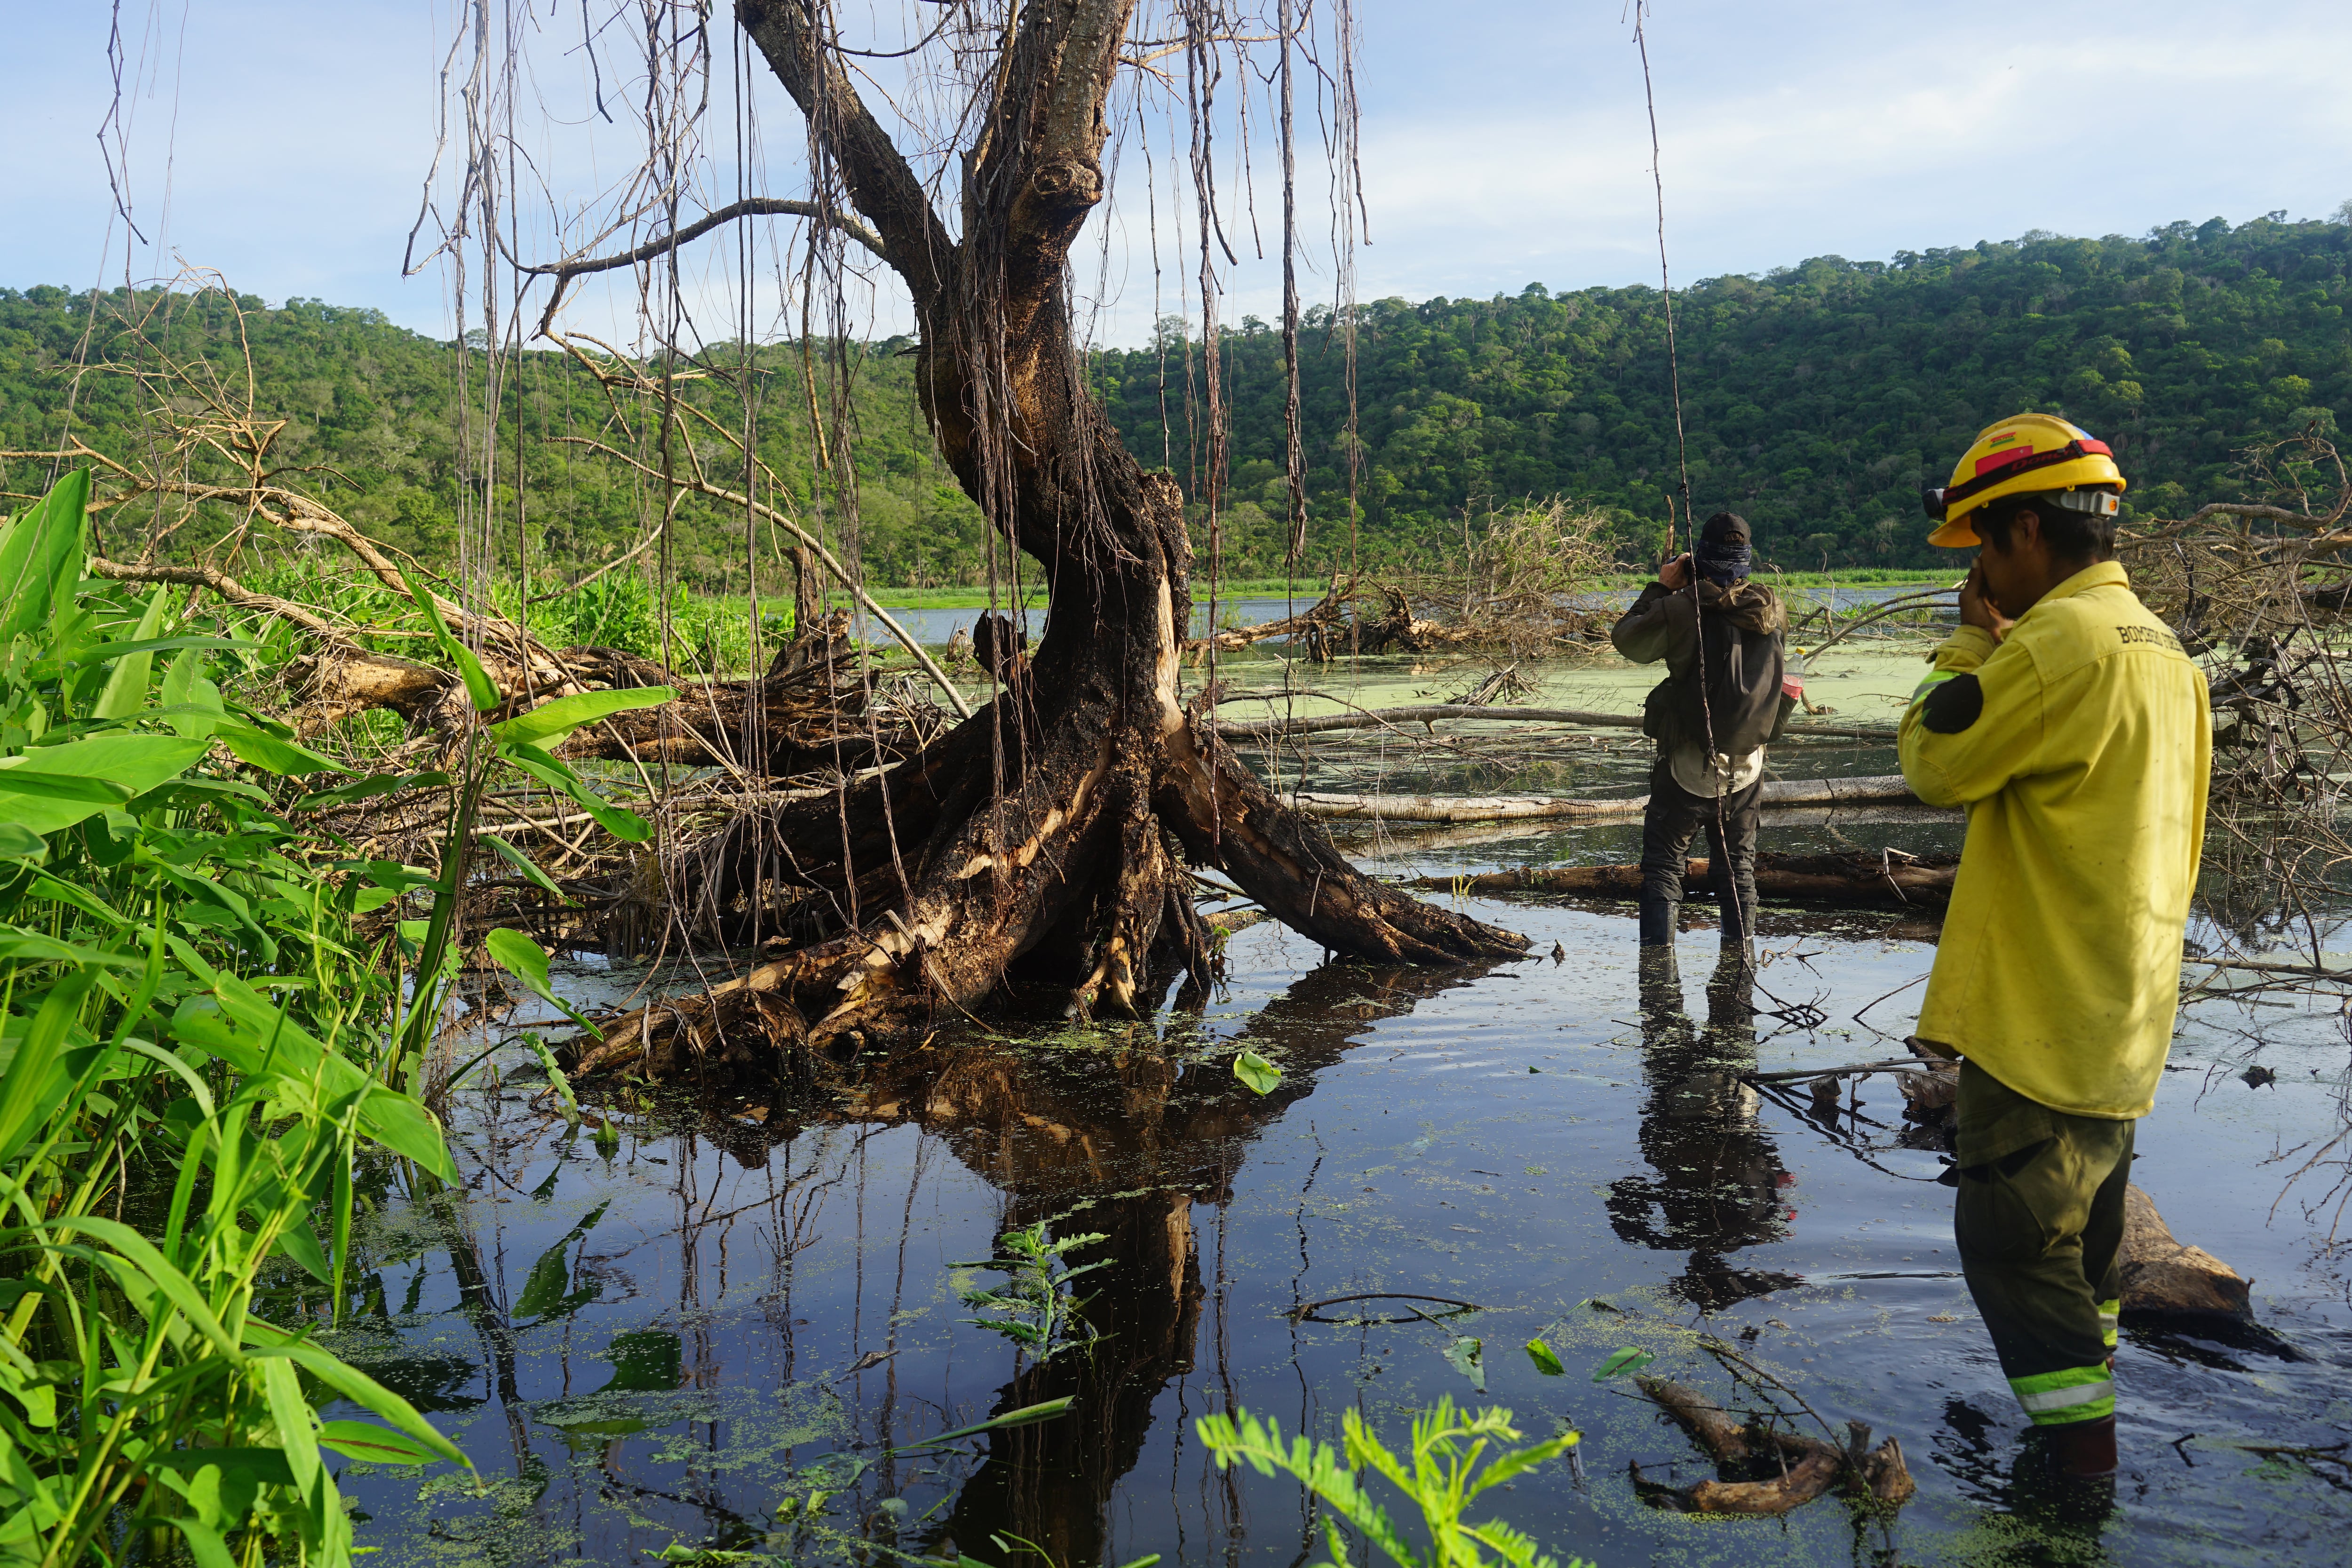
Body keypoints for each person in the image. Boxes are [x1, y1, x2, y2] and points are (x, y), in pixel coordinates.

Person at [1899, 413, 2210, 1489]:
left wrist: (1969, 642)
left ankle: (2076, 1481)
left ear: (2028, 531)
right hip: (2121, 1018)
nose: (1980, 570)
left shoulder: (2052, 644)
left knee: (2009, 1247)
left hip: (2039, 1021)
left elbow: (1936, 758)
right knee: (2084, 1257)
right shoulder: (2169, 654)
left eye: (1984, 545)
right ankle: (2083, 1428)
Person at [1611, 511, 1789, 965]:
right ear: (1747, 562)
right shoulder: (1772, 609)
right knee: (1737, 870)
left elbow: (1627, 640)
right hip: (1748, 767)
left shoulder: (1680, 608)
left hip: (1688, 766)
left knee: (1665, 869)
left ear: (1701, 560)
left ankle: (1658, 978)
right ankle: (1741, 975)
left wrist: (1663, 586)